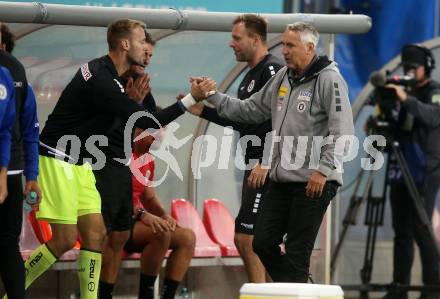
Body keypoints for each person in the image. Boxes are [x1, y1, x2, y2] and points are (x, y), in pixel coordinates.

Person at [21, 19, 196, 299]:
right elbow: (147, 120)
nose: (146, 49)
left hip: (81, 164)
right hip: (57, 159)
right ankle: (14, 290)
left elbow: (141, 115)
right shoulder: (101, 79)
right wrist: (188, 101)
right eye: (141, 42)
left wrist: (137, 104)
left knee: (97, 234)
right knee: (65, 240)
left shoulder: (123, 77)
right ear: (125, 44)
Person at [190, 21, 354, 282]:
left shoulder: (330, 79)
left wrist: (323, 171)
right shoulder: (283, 77)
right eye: (284, 44)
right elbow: (249, 110)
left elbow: (343, 132)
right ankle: (299, 286)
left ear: (310, 47)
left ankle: (295, 285)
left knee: (297, 254)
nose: (285, 51)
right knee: (262, 243)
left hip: (314, 182)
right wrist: (213, 95)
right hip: (281, 180)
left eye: (291, 45)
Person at [185, 14, 282, 283]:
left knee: (246, 237)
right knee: (256, 241)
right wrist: (201, 110)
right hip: (253, 167)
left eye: (237, 38)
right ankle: (270, 291)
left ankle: (259, 293)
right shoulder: (249, 75)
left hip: (265, 169)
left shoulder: (272, 70)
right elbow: (243, 118)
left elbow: (280, 121)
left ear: (255, 39)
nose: (232, 43)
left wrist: (266, 161)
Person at [97, 32, 158, 299]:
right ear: (128, 47)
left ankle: (106, 294)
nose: (146, 57)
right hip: (98, 165)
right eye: (144, 50)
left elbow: (151, 121)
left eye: (151, 54)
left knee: (119, 236)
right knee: (99, 236)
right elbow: (102, 123)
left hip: (120, 166)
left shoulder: (142, 83)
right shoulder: (104, 77)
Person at [381, 44, 440, 299]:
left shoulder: (435, 91)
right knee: (401, 232)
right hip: (400, 170)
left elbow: (433, 117)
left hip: (424, 171)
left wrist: (407, 99)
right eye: (406, 68)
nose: (409, 72)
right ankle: (400, 288)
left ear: (426, 67)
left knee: (422, 230)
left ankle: (431, 290)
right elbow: (394, 128)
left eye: (413, 68)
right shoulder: (400, 92)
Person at [120, 126, 195, 299]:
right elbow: (116, 197)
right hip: (116, 222)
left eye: (164, 130)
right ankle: (146, 294)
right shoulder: (123, 155)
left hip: (134, 219)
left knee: (187, 237)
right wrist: (142, 214)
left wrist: (164, 215)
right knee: (161, 234)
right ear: (139, 131)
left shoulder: (148, 159)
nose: (162, 135)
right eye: (157, 130)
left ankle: (167, 296)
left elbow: (149, 197)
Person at [0, 23, 40, 299]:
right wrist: (31, 176)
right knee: (7, 245)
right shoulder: (14, 71)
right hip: (11, 171)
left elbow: (10, 128)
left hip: (8, 170)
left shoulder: (7, 73)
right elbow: (27, 128)